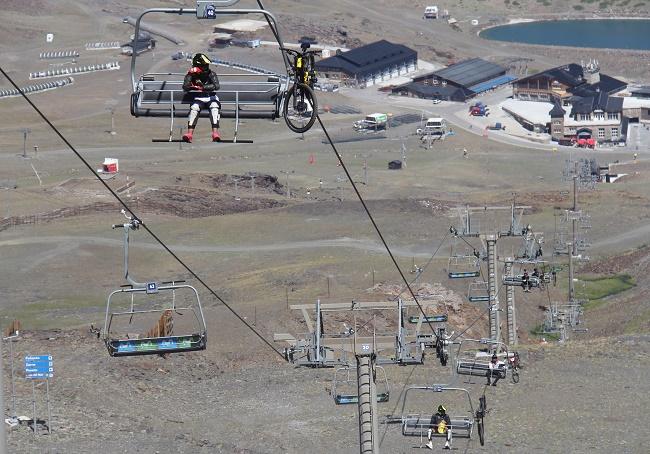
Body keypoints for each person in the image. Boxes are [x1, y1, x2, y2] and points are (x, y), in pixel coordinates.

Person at [181, 53, 221, 143]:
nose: (205, 68)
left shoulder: (212, 74)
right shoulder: (191, 74)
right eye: (203, 66)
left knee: (214, 107)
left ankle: (215, 133)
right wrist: (190, 76)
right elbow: (185, 87)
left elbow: (216, 86)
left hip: (211, 97)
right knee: (194, 108)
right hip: (199, 98)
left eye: (206, 65)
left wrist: (203, 87)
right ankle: (189, 134)